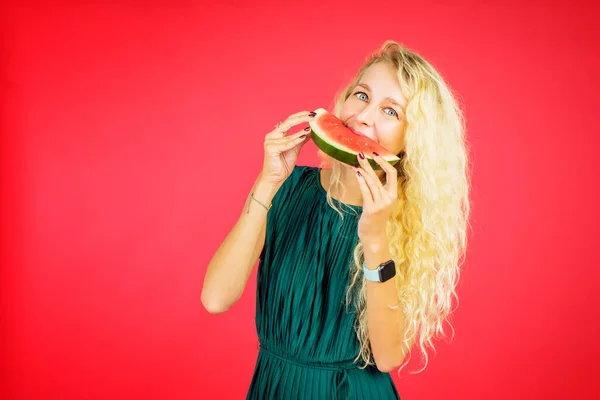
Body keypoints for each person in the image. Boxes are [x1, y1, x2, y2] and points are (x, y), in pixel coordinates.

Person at [201, 40, 471, 399]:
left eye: (391, 112)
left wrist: (375, 239)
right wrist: (267, 184)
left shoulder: (402, 223)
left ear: (412, 141)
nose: (363, 116)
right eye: (362, 95)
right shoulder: (288, 187)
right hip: (274, 386)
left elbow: (389, 356)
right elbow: (216, 298)